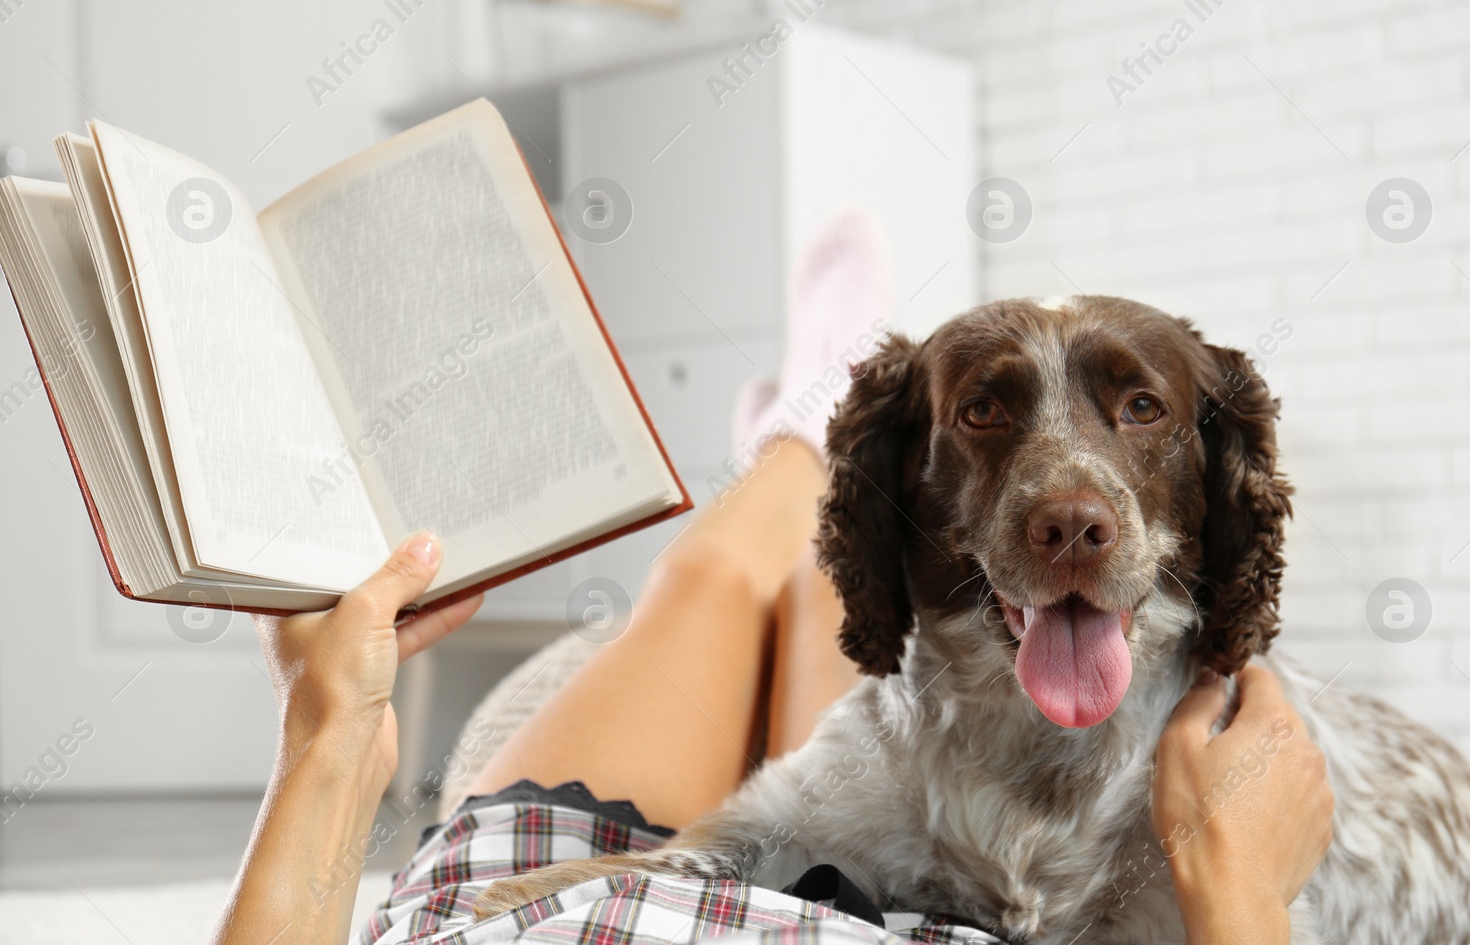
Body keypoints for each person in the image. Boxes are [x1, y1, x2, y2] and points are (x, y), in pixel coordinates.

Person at [211, 209, 1333, 945]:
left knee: (699, 579)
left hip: (482, 911)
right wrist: (1235, 891)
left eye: (1137, 408)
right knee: (825, 596)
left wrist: (325, 740)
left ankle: (793, 435)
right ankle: (809, 437)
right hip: (822, 916)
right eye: (985, 409)